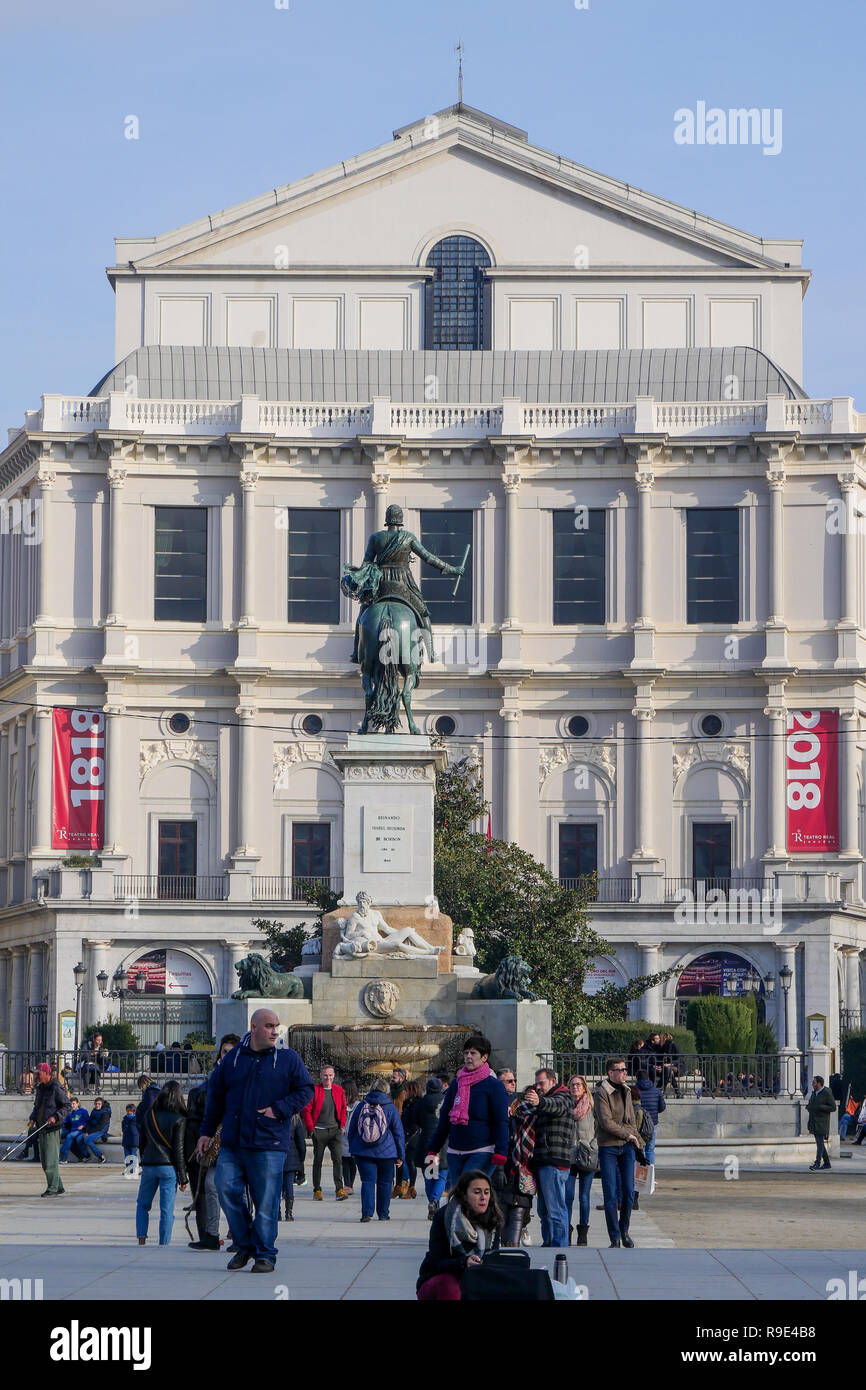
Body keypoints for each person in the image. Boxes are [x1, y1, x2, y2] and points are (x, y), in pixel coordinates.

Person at [197, 1008, 314, 1274]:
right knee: (224, 1187)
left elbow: (306, 1089)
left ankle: (265, 1255)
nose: (275, 1030)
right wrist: (205, 1132)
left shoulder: (288, 1058)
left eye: (277, 1026)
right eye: (269, 1026)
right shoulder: (234, 1059)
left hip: (269, 1143)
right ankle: (245, 1243)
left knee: (266, 1203)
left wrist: (280, 1109)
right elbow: (215, 1096)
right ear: (254, 1028)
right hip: (233, 1142)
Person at [426, 1035, 510, 1186]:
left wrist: (501, 1151)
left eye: (473, 1053)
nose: (468, 1057)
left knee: (469, 1193)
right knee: (458, 1198)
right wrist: (434, 1148)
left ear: (484, 1057)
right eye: (466, 1053)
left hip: (482, 1151)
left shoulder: (493, 1085)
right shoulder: (456, 1084)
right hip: (455, 1151)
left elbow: (501, 1121)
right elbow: (445, 1119)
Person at [187, 1032, 241, 1251]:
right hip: (217, 1141)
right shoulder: (216, 1077)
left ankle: (240, 1234)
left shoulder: (242, 1074)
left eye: (231, 1052)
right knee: (211, 1184)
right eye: (224, 1051)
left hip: (235, 1140)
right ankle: (211, 1235)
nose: (226, 1056)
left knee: (235, 1190)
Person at [416, 1170, 504, 1300]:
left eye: (486, 1192)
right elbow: (435, 1263)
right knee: (449, 1285)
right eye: (477, 1192)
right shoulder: (445, 1216)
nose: (483, 1197)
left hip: (477, 1280)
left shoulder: (493, 1218)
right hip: (440, 1280)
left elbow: (494, 1258)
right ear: (464, 1195)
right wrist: (464, 1263)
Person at [523, 1068, 576, 1248]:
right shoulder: (545, 1100)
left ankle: (559, 1246)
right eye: (536, 1083)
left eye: (542, 1083)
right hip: (543, 1161)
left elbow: (555, 1105)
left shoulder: (564, 1096)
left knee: (555, 1209)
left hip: (553, 1161)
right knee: (544, 1210)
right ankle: (549, 1243)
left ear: (553, 1081)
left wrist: (539, 1101)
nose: (538, 1087)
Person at [594, 1058, 642, 1249]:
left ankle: (624, 1230)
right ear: (610, 1072)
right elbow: (606, 1122)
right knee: (610, 1193)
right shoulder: (602, 1092)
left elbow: (631, 1120)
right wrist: (628, 1134)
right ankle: (614, 1237)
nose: (624, 1073)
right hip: (609, 1147)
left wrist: (638, 1142)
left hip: (628, 1147)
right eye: (620, 1070)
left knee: (629, 1192)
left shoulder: (627, 1091)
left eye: (625, 1069)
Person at [136, 1079, 188, 1245]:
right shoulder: (179, 1118)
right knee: (167, 1210)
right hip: (168, 1167)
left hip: (150, 1164)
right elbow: (179, 1150)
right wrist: (183, 1177)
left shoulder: (149, 1114)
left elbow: (142, 1142)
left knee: (143, 1205)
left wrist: (143, 1160)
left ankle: (142, 1239)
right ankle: (164, 1243)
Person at [346, 1080, 405, 1222]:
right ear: (386, 1090)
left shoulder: (361, 1105)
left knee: (367, 1181)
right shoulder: (390, 1108)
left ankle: (366, 1213)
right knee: (385, 1182)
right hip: (387, 1153)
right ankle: (383, 1214)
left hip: (363, 1151)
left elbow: (351, 1130)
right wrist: (400, 1156)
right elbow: (398, 1134)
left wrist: (353, 1149)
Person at [302, 1065, 350, 1201]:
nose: (328, 1078)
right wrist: (311, 1129)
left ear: (334, 1076)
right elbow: (306, 1110)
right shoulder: (315, 1090)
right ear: (320, 1076)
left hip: (335, 1131)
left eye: (330, 1075)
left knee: (338, 1160)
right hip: (319, 1131)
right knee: (317, 1161)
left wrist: (341, 1126)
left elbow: (342, 1108)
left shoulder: (339, 1090)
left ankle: (339, 1189)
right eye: (325, 1075)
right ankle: (317, 1189)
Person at [498, 1085, 536, 1247]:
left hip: (526, 1170)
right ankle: (508, 1245)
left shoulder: (535, 1117)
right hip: (508, 1168)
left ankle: (513, 1244)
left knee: (519, 1211)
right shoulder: (510, 1118)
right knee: (506, 1211)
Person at [29, 1062, 71, 1196]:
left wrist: (55, 1117)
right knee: (45, 1161)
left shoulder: (56, 1087)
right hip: (41, 1126)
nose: (37, 1076)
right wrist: (32, 1118)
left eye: (39, 1073)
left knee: (50, 1160)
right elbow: (37, 1106)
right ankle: (58, 1186)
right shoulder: (41, 1088)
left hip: (52, 1128)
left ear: (47, 1073)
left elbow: (67, 1106)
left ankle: (52, 1188)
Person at [565, 1075, 597, 1246]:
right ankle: (567, 1230)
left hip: (587, 1154)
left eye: (578, 1084)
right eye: (572, 1084)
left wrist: (594, 1146)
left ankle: (583, 1232)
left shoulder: (591, 1106)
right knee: (568, 1196)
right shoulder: (565, 1105)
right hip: (569, 1155)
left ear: (584, 1087)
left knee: (584, 1197)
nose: (575, 1087)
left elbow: (598, 1128)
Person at [412, 1077, 448, 1218]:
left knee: (429, 1174)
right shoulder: (445, 1101)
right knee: (442, 1174)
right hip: (443, 1142)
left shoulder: (421, 1102)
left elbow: (415, 1121)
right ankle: (435, 1200)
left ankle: (432, 1203)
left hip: (426, 1141)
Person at [633, 1068, 665, 1174]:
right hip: (652, 1124)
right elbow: (662, 1107)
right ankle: (651, 1175)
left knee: (639, 1149)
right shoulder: (656, 1091)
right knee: (650, 1149)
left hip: (638, 1124)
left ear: (637, 1078)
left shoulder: (634, 1090)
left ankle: (639, 1175)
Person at [395, 1079, 423, 1198]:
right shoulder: (407, 1103)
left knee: (410, 1161)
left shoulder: (418, 1103)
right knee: (401, 1161)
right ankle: (399, 1187)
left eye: (406, 1090)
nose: (404, 1093)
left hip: (413, 1135)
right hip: (405, 1134)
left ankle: (411, 1188)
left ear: (412, 1091)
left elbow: (418, 1121)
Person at [806, 1075, 836, 1171]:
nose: (812, 1084)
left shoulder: (826, 1092)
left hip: (822, 1123)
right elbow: (812, 1104)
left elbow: (833, 1107)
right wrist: (809, 1107)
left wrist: (820, 1107)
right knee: (820, 1144)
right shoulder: (814, 1093)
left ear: (819, 1083)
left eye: (814, 1082)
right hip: (814, 1122)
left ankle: (817, 1163)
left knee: (819, 1144)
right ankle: (827, 1163)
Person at [281, 1113, 307, 1221]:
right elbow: (301, 1141)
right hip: (291, 1156)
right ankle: (289, 1213)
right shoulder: (295, 1119)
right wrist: (301, 1159)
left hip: (277, 1154)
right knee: (289, 1186)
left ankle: (276, 1212)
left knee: (276, 1187)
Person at [75, 1096, 111, 1163]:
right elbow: (89, 1122)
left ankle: (101, 1156)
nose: (97, 1105)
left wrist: (89, 1133)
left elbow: (100, 1126)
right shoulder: (94, 1111)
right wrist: (86, 1131)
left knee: (87, 1139)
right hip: (92, 1130)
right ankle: (87, 1156)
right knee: (79, 1138)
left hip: (100, 1131)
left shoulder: (105, 1113)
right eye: (96, 1104)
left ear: (102, 1104)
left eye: (99, 1104)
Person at [341, 1079, 360, 1193]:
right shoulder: (341, 1103)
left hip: (352, 1137)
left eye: (344, 1092)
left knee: (351, 1162)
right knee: (344, 1161)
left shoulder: (358, 1106)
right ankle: (347, 1184)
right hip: (342, 1137)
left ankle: (349, 1184)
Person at [59, 1097, 89, 1163]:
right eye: (71, 1104)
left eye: (73, 1104)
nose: (72, 1106)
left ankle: (63, 1157)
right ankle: (62, 1157)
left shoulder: (83, 1111)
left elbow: (88, 1121)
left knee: (69, 1136)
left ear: (78, 1104)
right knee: (69, 1140)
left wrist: (83, 1126)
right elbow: (64, 1122)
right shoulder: (70, 1113)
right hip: (73, 1130)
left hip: (80, 1131)